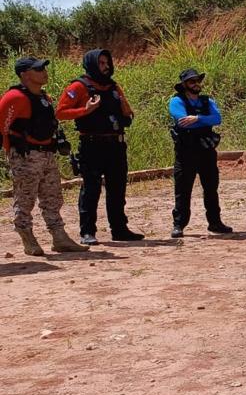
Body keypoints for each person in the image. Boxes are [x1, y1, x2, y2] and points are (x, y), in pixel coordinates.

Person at [1, 56, 88, 256]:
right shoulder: (14, 97)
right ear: (24, 75)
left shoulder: (45, 98)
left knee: (53, 196)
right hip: (25, 155)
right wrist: (12, 152)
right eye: (38, 69)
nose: (44, 72)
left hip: (47, 153)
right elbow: (2, 127)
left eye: (43, 68)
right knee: (25, 197)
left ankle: (59, 237)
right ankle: (27, 236)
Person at [56, 48, 143, 243]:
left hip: (116, 145)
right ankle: (87, 232)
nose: (105, 67)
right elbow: (60, 112)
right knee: (91, 189)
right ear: (92, 64)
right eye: (101, 63)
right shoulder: (79, 86)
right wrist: (85, 109)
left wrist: (127, 112)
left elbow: (126, 109)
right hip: (92, 146)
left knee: (117, 189)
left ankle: (119, 229)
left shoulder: (112, 86)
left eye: (107, 63)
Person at [168, 68, 233, 238]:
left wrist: (197, 119)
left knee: (211, 188)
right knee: (183, 190)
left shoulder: (207, 101)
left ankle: (215, 223)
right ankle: (179, 224)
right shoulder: (176, 101)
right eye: (191, 81)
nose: (196, 84)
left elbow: (217, 119)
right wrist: (204, 120)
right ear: (184, 84)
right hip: (185, 152)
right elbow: (182, 122)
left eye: (197, 80)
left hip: (206, 152)